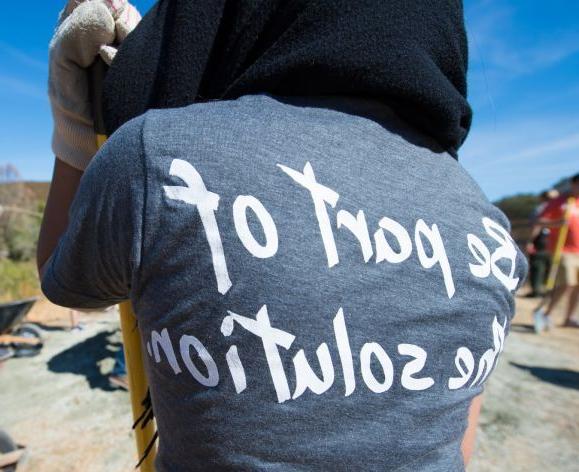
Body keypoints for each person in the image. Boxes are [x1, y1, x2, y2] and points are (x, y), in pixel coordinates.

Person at [38, 1, 528, 470]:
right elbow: (457, 440)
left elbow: (65, 281)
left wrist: (77, 132)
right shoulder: (488, 228)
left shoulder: (158, 157)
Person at [532, 174, 579, 332]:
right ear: (573, 184)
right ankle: (546, 312)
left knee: (577, 286)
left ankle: (569, 317)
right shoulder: (560, 202)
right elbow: (539, 220)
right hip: (563, 250)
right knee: (567, 283)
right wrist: (556, 223)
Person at [525, 190, 558, 297]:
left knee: (538, 266)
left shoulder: (540, 209)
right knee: (545, 266)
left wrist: (530, 241)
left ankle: (538, 291)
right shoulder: (559, 208)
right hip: (548, 241)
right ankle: (544, 291)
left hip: (544, 241)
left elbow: (536, 226)